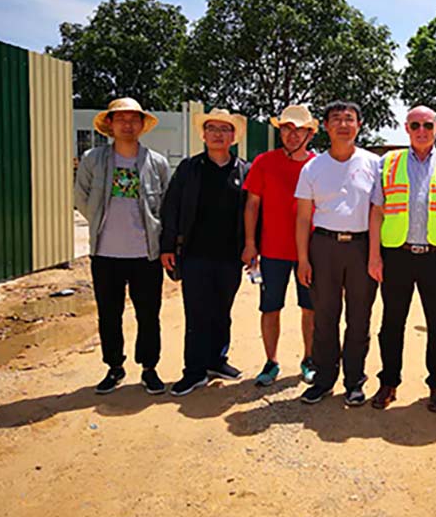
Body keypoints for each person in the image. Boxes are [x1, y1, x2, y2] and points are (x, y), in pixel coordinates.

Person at [367, 106, 436, 413]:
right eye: (415, 125)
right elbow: (377, 212)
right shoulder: (389, 162)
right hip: (397, 255)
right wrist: (374, 256)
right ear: (406, 128)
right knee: (391, 323)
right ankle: (389, 382)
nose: (421, 130)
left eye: (427, 124)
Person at [74, 97, 170, 395]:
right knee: (109, 314)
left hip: (146, 255)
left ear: (142, 125)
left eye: (133, 119)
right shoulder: (93, 159)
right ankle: (114, 367)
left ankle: (149, 368)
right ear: (111, 125)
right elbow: (80, 197)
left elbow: (166, 204)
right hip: (105, 254)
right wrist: (102, 222)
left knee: (148, 314)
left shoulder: (157, 163)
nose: (127, 125)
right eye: (121, 119)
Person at [294, 101, 380, 406]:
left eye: (349, 119)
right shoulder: (313, 167)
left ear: (359, 125)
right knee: (325, 317)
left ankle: (354, 382)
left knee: (359, 318)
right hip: (324, 248)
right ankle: (323, 379)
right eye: (336, 119)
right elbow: (303, 217)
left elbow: (377, 212)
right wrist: (303, 259)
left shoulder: (373, 163)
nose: (343, 124)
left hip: (361, 248)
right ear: (326, 126)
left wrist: (375, 255)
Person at [160, 108, 250, 396]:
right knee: (197, 313)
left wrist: (252, 246)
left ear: (233, 137)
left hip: (230, 257)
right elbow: (170, 207)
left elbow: (253, 212)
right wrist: (167, 246)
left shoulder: (244, 171)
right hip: (195, 255)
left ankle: (216, 360)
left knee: (222, 311)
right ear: (203, 134)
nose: (218, 134)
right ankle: (194, 371)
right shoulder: (189, 168)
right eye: (212, 128)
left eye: (225, 129)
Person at [241, 105, 318, 386]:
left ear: (309, 134)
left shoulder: (318, 165)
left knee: (309, 308)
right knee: (270, 307)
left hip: (309, 252)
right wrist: (250, 243)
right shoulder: (263, 162)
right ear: (280, 130)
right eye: (287, 128)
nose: (292, 135)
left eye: (299, 130)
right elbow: (252, 205)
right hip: (271, 250)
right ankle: (271, 362)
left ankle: (309, 359)